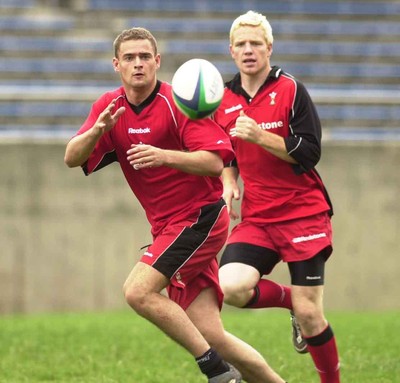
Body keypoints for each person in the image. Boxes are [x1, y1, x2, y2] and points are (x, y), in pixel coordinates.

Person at [64, 27, 287, 383]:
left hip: (201, 217)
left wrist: (163, 156)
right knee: (213, 337)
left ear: (157, 61)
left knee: (138, 291)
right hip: (168, 228)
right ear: (116, 64)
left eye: (144, 57)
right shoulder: (110, 108)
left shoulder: (179, 102)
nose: (137, 64)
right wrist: (95, 131)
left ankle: (217, 373)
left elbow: (215, 162)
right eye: (129, 58)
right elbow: (72, 158)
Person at [213, 11, 341, 383]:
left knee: (313, 315)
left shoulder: (291, 90)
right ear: (231, 51)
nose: (248, 50)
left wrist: (260, 136)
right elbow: (226, 151)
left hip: (304, 214)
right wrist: (228, 178)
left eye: (256, 43)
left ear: (269, 48)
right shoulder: (223, 97)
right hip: (258, 219)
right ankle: (291, 303)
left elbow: (310, 152)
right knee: (231, 287)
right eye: (241, 44)